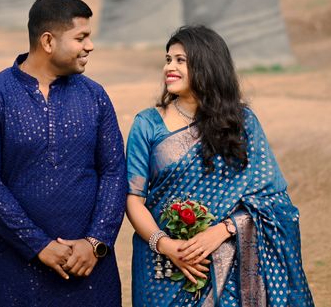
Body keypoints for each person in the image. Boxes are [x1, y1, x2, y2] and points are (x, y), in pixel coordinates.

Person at [125, 25, 314, 306]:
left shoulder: (241, 123)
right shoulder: (147, 124)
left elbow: (273, 200)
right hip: (161, 264)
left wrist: (223, 230)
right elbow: (134, 200)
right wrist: (166, 245)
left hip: (228, 257)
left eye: (180, 60)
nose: (169, 67)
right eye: (167, 59)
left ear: (207, 65)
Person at [0, 0, 127, 306]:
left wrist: (95, 243)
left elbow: (114, 171)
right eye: (81, 37)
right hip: (15, 265)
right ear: (48, 41)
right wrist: (38, 245)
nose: (89, 46)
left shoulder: (95, 96)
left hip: (90, 269)